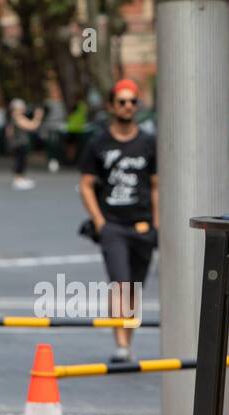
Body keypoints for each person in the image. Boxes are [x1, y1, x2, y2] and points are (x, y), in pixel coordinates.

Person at [78, 78, 158, 364]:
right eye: (122, 101)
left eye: (132, 101)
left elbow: (156, 185)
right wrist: (98, 221)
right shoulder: (98, 143)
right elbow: (86, 184)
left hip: (143, 224)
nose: (128, 106)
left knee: (135, 287)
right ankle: (120, 343)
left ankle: (129, 339)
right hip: (113, 225)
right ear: (112, 106)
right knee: (120, 283)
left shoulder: (148, 143)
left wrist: (156, 224)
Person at [7, 98, 43, 190]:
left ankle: (21, 178)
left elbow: (9, 132)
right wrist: (38, 116)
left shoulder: (13, 117)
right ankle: (18, 180)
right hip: (19, 143)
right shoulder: (17, 117)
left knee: (22, 161)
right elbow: (32, 126)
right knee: (20, 161)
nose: (24, 109)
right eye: (22, 107)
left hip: (18, 143)